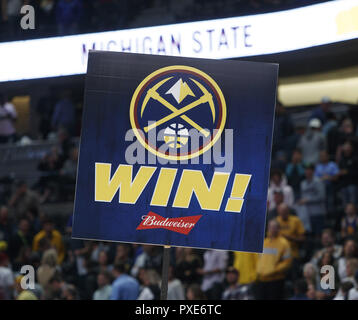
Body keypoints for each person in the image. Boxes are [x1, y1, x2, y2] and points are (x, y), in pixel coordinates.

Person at [255, 220, 292, 299]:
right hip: (261, 280)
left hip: (275, 280)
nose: (272, 229)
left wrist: (273, 270)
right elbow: (259, 259)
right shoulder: (264, 242)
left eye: (274, 227)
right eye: (270, 227)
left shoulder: (284, 243)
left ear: (278, 229)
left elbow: (287, 262)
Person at [298, 163, 326, 236]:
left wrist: (307, 200)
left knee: (318, 236)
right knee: (309, 236)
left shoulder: (318, 181)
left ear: (313, 171)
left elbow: (321, 196)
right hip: (306, 214)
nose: (307, 171)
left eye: (309, 170)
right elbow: (303, 197)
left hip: (318, 213)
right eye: (306, 170)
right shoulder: (303, 183)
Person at [337, 141, 358, 205]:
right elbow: (339, 171)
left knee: (353, 204)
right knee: (344, 204)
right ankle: (346, 215)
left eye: (348, 147)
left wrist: (347, 172)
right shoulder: (342, 160)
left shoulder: (355, 158)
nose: (347, 149)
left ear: (351, 148)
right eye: (345, 147)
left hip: (352, 184)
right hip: (343, 184)